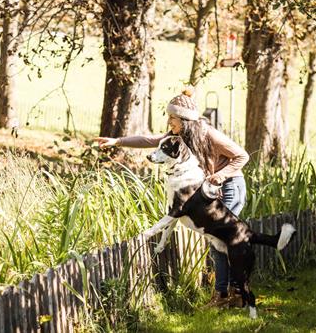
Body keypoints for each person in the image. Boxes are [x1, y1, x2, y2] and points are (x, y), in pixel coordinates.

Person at [94, 87, 250, 307]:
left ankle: (229, 295)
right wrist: (117, 141)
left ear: (185, 120)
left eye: (172, 118)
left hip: (230, 186)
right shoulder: (179, 136)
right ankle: (229, 294)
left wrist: (219, 176)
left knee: (221, 240)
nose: (169, 122)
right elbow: (149, 140)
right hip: (213, 188)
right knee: (218, 241)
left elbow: (241, 156)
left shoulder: (208, 134)